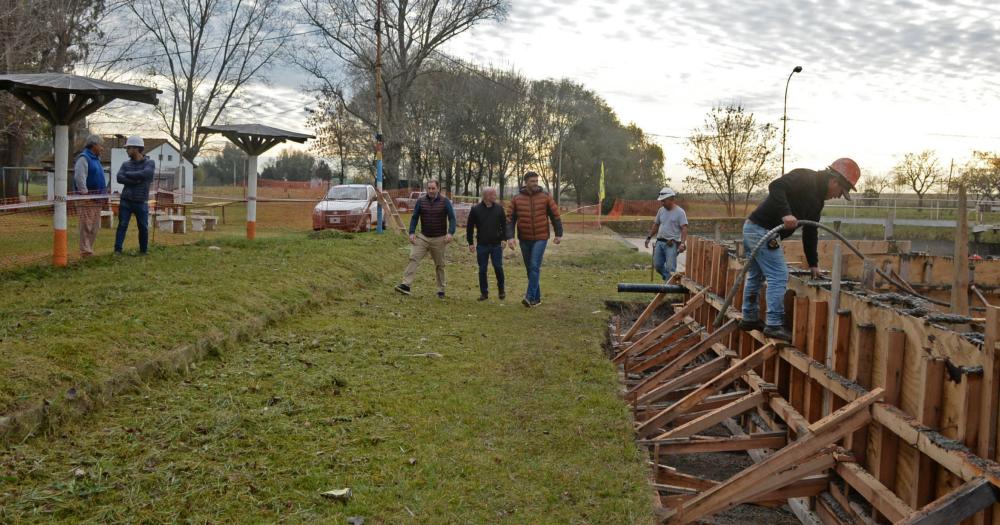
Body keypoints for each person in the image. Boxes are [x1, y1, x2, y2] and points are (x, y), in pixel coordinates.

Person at [739, 158, 860, 341]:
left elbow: (810, 232)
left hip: (755, 228)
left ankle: (749, 318)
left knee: (756, 275)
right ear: (834, 181)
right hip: (761, 230)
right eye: (840, 191)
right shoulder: (805, 177)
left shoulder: (817, 202)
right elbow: (776, 186)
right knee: (779, 275)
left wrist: (813, 265)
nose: (838, 196)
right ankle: (773, 324)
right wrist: (785, 213)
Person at [506, 171, 563, 308]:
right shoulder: (516, 199)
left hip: (541, 237)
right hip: (524, 238)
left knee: (534, 265)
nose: (535, 184)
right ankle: (536, 299)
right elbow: (509, 219)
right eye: (532, 181)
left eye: (537, 181)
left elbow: (555, 215)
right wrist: (510, 237)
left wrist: (558, 233)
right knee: (530, 269)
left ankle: (529, 296)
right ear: (526, 182)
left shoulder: (545, 197)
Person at [395, 180, 457, 298]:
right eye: (429, 188)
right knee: (413, 258)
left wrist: (450, 233)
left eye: (433, 188)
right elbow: (414, 218)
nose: (431, 191)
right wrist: (412, 232)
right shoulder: (421, 201)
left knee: (440, 265)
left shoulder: (445, 202)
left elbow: (452, 218)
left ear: (438, 188)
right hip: (423, 237)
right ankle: (406, 285)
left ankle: (441, 290)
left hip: (439, 238)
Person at [114, 136, 155, 255]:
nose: (126, 150)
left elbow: (147, 173)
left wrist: (129, 175)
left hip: (141, 200)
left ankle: (143, 251)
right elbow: (119, 177)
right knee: (122, 225)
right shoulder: (125, 164)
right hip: (126, 200)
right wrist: (137, 180)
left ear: (136, 149)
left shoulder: (150, 163)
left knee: (143, 227)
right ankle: (117, 250)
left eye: (128, 148)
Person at [467, 187, 509, 301]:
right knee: (482, 269)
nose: (495, 197)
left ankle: (501, 290)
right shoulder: (475, 210)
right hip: (482, 245)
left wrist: (504, 239)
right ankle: (484, 293)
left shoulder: (499, 209)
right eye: (492, 195)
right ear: (485, 196)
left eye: (495, 194)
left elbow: (504, 225)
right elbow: (469, 227)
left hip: (496, 245)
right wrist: (470, 243)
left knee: (498, 267)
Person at [73, 134, 107, 258]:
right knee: (86, 225)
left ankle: (89, 249)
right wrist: (84, 194)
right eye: (101, 145)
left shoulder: (96, 159)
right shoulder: (84, 158)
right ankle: (85, 251)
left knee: (95, 226)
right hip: (87, 199)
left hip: (97, 199)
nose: (102, 148)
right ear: (93, 145)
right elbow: (79, 177)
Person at [644, 187, 688, 281]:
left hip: (671, 244)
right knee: (658, 265)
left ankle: (668, 289)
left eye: (664, 201)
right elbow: (656, 224)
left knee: (670, 268)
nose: (662, 203)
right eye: (661, 201)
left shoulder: (680, 212)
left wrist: (683, 243)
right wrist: (649, 237)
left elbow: (684, 228)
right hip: (659, 242)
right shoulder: (661, 210)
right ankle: (669, 280)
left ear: (671, 199)